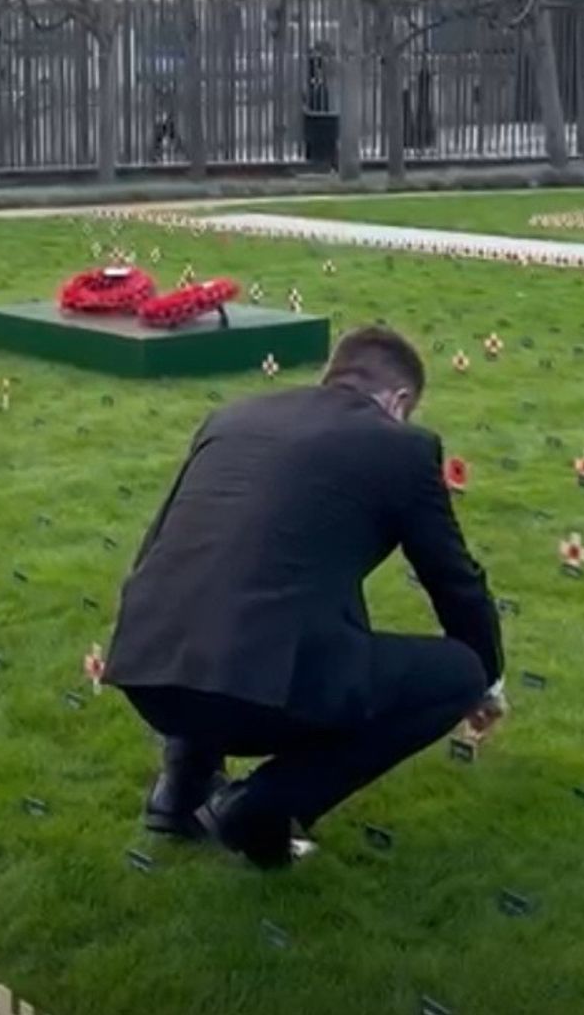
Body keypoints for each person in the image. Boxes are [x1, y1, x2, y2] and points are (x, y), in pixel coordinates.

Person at [104, 325, 505, 869]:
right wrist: (489, 678)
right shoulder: (405, 447)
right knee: (459, 671)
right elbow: (452, 579)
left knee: (223, 604)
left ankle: (179, 789)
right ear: (399, 400)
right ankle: (258, 807)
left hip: (145, 668)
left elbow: (162, 550)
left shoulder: (232, 418)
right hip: (257, 697)